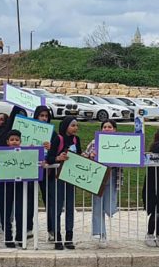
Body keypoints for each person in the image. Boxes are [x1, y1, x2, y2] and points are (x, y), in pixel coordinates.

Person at [47, 116, 82, 250]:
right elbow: (49, 158)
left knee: (70, 207)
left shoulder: (76, 140)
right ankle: (57, 237)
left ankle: (69, 237)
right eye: (73, 125)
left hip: (71, 177)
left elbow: (79, 154)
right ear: (66, 126)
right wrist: (58, 157)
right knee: (57, 207)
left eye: (76, 125)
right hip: (57, 178)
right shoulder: (58, 139)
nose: (75, 128)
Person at [84, 120, 120, 248]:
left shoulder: (121, 142)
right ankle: (101, 234)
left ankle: (104, 227)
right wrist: (90, 155)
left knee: (109, 205)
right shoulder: (94, 142)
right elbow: (84, 155)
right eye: (104, 127)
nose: (107, 129)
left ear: (115, 129)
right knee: (98, 205)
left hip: (113, 175)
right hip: (98, 177)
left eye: (110, 127)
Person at [0, 129, 28, 248]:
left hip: (20, 187)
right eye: (12, 140)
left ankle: (20, 236)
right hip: (4, 187)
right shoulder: (1, 154)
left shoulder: (25, 154)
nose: (14, 142)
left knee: (20, 212)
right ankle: (8, 237)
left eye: (17, 140)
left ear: (20, 141)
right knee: (5, 212)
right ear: (7, 141)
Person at [30, 106, 57, 242]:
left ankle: (52, 230)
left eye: (46, 116)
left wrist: (51, 148)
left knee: (49, 200)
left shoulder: (53, 133)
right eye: (41, 116)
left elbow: (57, 151)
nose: (44, 118)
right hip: (30, 168)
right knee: (28, 199)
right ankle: (28, 228)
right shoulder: (28, 129)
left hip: (47, 171)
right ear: (36, 116)